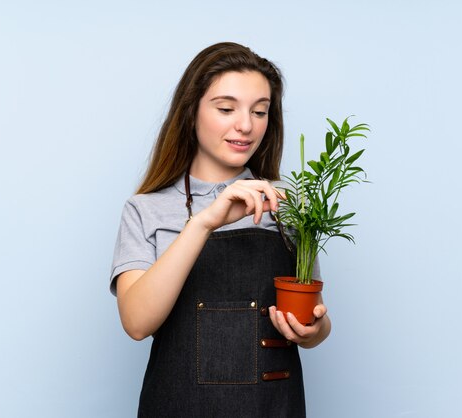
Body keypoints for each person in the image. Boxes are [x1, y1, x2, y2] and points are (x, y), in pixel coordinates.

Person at [110, 42, 331, 417]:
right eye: (227, 109)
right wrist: (205, 222)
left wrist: (315, 329)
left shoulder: (288, 205)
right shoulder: (145, 210)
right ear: (191, 111)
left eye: (260, 111)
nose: (245, 125)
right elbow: (136, 322)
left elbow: (315, 318)